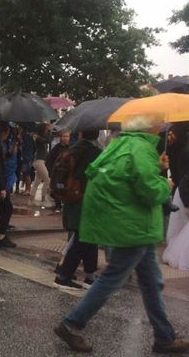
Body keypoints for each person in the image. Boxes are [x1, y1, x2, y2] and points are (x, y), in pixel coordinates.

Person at [55, 116, 189, 354]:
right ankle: (72, 323)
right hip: (133, 226)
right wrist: (164, 185)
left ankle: (164, 336)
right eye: (159, 123)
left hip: (128, 224)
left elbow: (125, 178)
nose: (161, 127)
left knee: (151, 281)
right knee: (113, 277)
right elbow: (149, 191)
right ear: (150, 127)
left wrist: (156, 167)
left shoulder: (120, 144)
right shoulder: (143, 149)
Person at [52, 130, 102, 291]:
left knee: (88, 237)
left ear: (81, 133)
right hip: (86, 199)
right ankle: (63, 277)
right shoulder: (95, 153)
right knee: (83, 238)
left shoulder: (72, 149)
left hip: (71, 199)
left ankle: (90, 276)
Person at [163, 123, 189, 270]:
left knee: (180, 226)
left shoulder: (179, 147)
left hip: (181, 187)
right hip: (184, 189)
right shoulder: (184, 150)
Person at [46, 130, 71, 212]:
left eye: (67, 136)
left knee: (67, 189)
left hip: (68, 173)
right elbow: (49, 160)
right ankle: (58, 205)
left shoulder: (71, 148)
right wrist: (51, 172)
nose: (65, 138)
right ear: (60, 137)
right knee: (59, 189)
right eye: (64, 136)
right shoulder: (56, 148)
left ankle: (66, 205)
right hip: (59, 174)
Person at [29, 122, 53, 207]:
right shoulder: (37, 137)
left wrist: (49, 131)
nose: (47, 130)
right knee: (47, 180)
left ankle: (31, 200)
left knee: (37, 182)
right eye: (46, 128)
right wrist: (50, 131)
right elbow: (47, 140)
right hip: (39, 161)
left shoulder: (40, 137)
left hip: (41, 161)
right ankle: (43, 199)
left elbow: (47, 140)